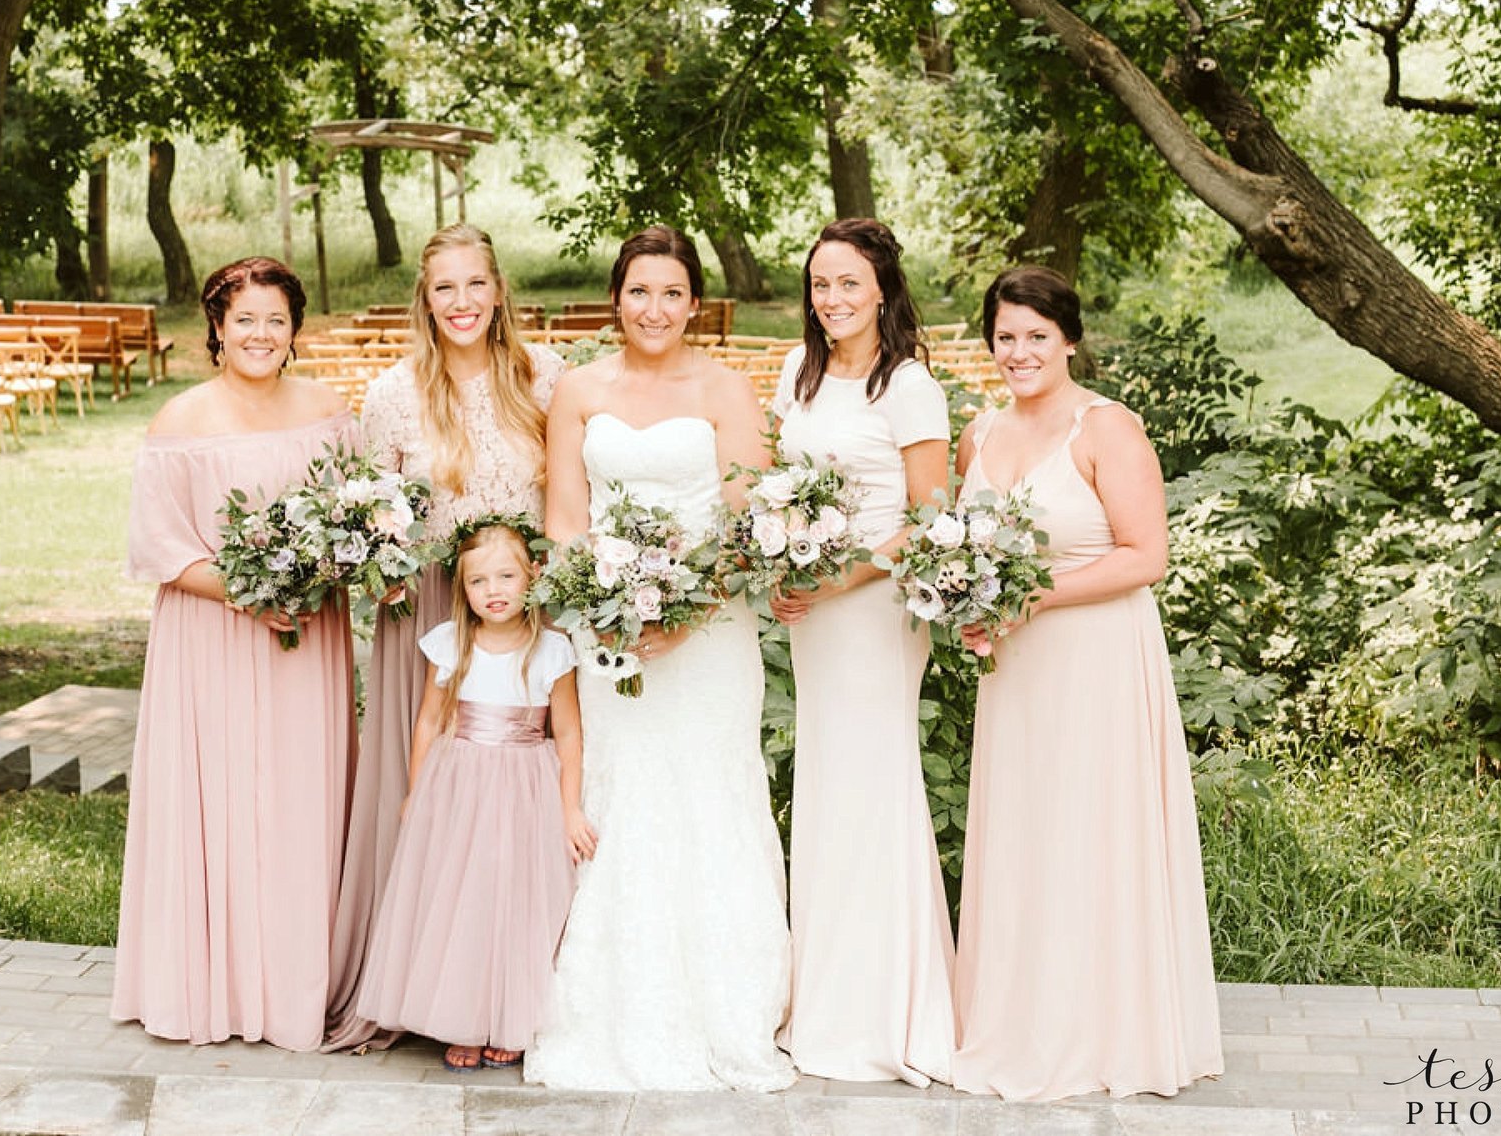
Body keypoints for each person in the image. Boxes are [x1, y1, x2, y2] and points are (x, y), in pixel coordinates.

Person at [524, 227, 795, 1093]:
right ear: (616, 298)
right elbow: (566, 518)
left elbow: (747, 519)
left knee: (710, 792)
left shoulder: (724, 389)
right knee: (626, 795)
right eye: (639, 292)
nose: (654, 309)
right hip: (606, 633)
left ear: (694, 302)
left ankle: (729, 1005)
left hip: (710, 635)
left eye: (672, 293)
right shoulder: (578, 389)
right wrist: (603, 604)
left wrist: (686, 612)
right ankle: (615, 1004)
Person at [948, 265, 1223, 1100]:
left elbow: (1146, 556)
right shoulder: (977, 436)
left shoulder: (1107, 428)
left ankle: (1107, 1028)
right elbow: (964, 552)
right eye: (1005, 337)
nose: (1019, 352)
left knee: (1092, 830)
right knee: (1029, 830)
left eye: (1037, 336)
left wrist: (1031, 596)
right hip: (1019, 671)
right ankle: (1024, 1021)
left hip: (1099, 658)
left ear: (1068, 339)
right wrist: (967, 603)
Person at [324, 225, 563, 1050]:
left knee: (524, 807)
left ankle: (513, 992)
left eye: (474, 285)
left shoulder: (546, 377)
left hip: (530, 608)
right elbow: (372, 515)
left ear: (499, 291)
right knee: (434, 796)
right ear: (423, 301)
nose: (461, 303)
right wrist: (385, 571)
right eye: (443, 288)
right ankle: (427, 987)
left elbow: (569, 498)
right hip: (430, 608)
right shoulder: (393, 394)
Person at [112, 256, 358, 1052]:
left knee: (298, 800)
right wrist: (255, 591)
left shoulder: (327, 411)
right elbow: (161, 550)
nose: (260, 334)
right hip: (211, 641)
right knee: (219, 801)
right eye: (244, 319)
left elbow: (360, 521)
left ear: (295, 331)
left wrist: (320, 576)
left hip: (305, 642)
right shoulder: (180, 422)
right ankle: (209, 989)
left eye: (276, 320)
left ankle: (296, 988)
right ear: (216, 327)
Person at [768, 218, 957, 1086]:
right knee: (827, 785)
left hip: (878, 610)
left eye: (848, 283)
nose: (832, 299)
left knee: (874, 783)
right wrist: (779, 556)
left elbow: (932, 519)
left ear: (882, 287)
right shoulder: (796, 374)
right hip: (814, 609)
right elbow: (777, 484)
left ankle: (888, 1009)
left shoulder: (909, 386)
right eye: (819, 284)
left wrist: (844, 577)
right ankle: (827, 1001)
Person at [353, 519, 590, 1071]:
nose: (495, 590)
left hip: (525, 787)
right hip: (461, 787)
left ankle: (506, 1018)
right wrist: (418, 791)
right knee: (463, 898)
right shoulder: (452, 644)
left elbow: (570, 734)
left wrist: (570, 806)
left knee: (514, 900)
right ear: (464, 590)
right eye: (479, 581)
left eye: (507, 575)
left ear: (533, 575)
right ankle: (463, 1018)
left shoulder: (551, 650)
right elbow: (430, 722)